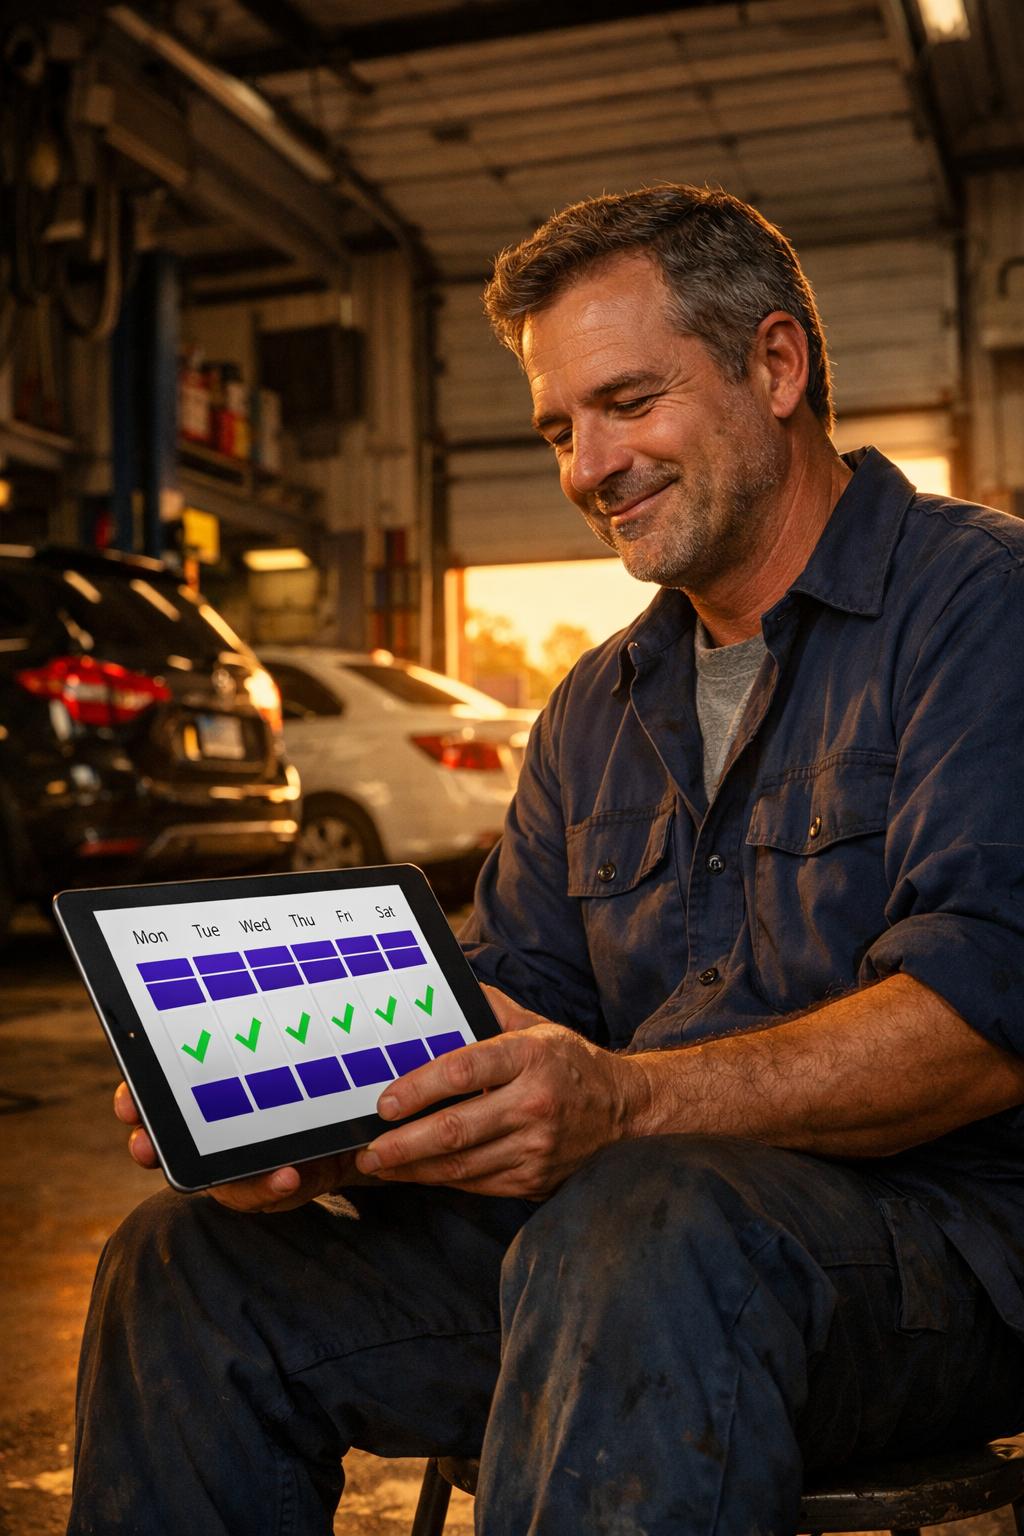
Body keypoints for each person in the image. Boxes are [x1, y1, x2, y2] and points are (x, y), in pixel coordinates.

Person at [69, 185, 1024, 1536]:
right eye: (560, 429)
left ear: (776, 366)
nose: (588, 467)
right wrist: (320, 1123)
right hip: (615, 1253)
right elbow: (518, 992)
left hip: (937, 1255)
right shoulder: (600, 703)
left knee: (640, 1222)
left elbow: (985, 1017)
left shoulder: (979, 604)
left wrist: (627, 1104)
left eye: (628, 403)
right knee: (188, 1263)